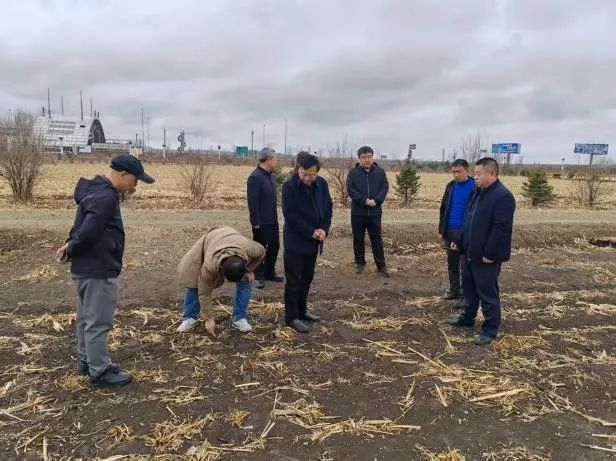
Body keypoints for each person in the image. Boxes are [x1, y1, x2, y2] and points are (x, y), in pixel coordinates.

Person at [56, 154, 155, 388]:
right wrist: (73, 246)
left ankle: (87, 362)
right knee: (98, 322)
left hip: (84, 269)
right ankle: (99, 372)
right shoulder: (105, 197)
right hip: (97, 270)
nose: (135, 185)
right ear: (122, 174)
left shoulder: (95, 193)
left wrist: (71, 245)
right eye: (135, 179)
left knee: (86, 319)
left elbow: (79, 227)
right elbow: (88, 231)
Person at [443, 157, 516, 345]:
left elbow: (501, 229)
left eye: (478, 174)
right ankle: (468, 317)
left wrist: (491, 254)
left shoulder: (502, 196)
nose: (474, 177)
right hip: (469, 251)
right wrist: (459, 241)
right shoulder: (478, 192)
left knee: (487, 293)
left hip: (485, 257)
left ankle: (490, 329)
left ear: (491, 173)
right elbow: (468, 219)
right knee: (469, 289)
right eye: (474, 173)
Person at [176, 226, 265, 335]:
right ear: (221, 269)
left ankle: (239, 318)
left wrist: (249, 269)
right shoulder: (210, 265)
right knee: (194, 282)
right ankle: (189, 318)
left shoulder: (251, 249)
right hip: (212, 238)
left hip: (235, 240)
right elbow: (204, 292)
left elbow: (262, 252)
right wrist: (208, 319)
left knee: (247, 279)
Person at [281, 153, 333, 333]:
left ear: (317, 172)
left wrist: (324, 229)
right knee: (294, 280)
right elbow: (290, 215)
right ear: (298, 169)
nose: (307, 178)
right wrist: (311, 232)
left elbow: (328, 209)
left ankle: (302, 311)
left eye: (312, 175)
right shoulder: (289, 186)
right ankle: (291, 317)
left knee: (306, 278)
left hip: (314, 241)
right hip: (295, 241)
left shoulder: (322, 184)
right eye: (304, 174)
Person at [346, 146, 390, 276]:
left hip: (375, 212)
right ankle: (360, 262)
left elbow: (384, 187)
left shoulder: (380, 172)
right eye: (364, 157)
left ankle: (381, 265)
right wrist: (364, 200)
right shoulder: (353, 173)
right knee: (358, 237)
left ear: (372, 157)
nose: (367, 160)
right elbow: (351, 190)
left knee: (376, 238)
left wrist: (376, 200)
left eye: (369, 157)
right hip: (358, 212)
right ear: (359, 158)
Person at [438, 159, 475, 307]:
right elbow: (443, 208)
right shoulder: (451, 186)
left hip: (467, 231)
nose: (455, 175)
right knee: (452, 263)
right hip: (450, 230)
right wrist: (442, 229)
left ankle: (466, 295)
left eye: (458, 172)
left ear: (467, 170)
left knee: (466, 265)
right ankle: (454, 290)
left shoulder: (475, 186)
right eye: (453, 172)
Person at [247, 148, 282, 290]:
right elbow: (252, 202)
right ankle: (259, 275)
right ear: (268, 160)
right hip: (261, 222)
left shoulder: (271, 176)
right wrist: (255, 222)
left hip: (272, 219)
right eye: (275, 158)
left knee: (275, 246)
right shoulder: (255, 177)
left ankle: (269, 273)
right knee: (260, 249)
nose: (276, 161)